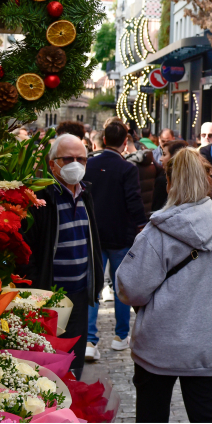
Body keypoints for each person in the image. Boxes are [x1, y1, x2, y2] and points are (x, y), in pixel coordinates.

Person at [116, 148, 212, 423]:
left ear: (170, 183)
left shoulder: (158, 231)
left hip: (160, 344)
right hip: (211, 345)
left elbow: (130, 288)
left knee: (151, 417)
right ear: (207, 180)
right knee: (208, 416)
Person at [17, 134, 104, 379]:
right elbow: (28, 250)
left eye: (81, 159)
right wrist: (37, 289)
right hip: (50, 296)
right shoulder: (40, 198)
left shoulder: (85, 194)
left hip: (79, 294)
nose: (76, 164)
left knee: (73, 365)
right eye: (68, 159)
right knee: (48, 364)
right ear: (52, 162)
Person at [82, 120, 147, 360]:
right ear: (124, 142)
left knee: (94, 287)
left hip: (95, 233)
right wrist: (141, 225)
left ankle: (90, 340)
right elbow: (133, 199)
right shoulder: (127, 169)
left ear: (104, 140)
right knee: (121, 287)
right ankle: (121, 336)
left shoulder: (88, 165)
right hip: (121, 235)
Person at [152, 140, 188, 212]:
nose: (160, 158)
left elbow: (157, 210)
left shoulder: (163, 181)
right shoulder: (191, 180)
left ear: (175, 157)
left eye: (164, 154)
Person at [125, 146, 162, 215]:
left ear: (126, 146)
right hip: (150, 208)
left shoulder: (129, 165)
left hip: (136, 211)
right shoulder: (150, 162)